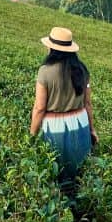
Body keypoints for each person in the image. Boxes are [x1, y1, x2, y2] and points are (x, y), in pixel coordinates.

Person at [29, 26, 99, 186]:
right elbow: (88, 104)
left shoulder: (45, 71)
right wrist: (91, 129)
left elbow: (39, 108)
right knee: (79, 175)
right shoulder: (82, 69)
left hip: (56, 128)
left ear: (52, 49)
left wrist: (32, 135)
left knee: (57, 174)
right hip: (80, 124)